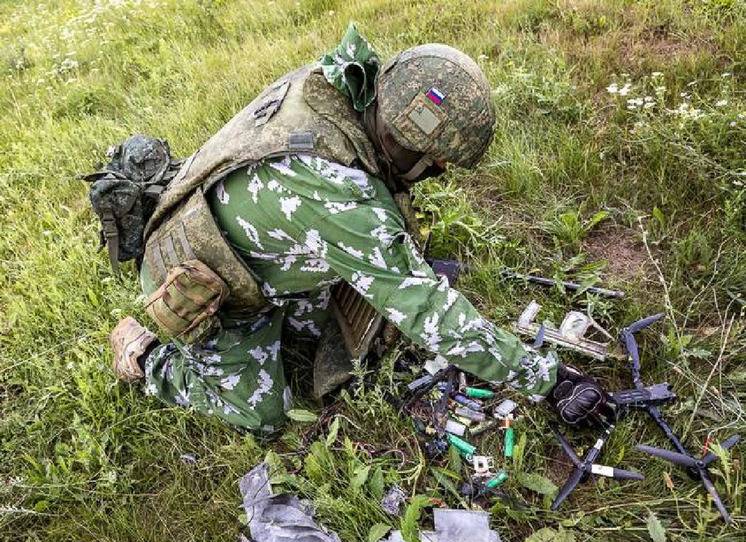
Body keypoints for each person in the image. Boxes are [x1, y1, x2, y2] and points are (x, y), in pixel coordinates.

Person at [108, 25, 612, 436]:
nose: (435, 174)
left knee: (329, 328)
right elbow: (428, 312)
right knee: (264, 416)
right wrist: (551, 381)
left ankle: (285, 310)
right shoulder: (340, 195)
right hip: (197, 283)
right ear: (408, 143)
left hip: (238, 238)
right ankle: (146, 357)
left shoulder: (337, 89)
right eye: (435, 164)